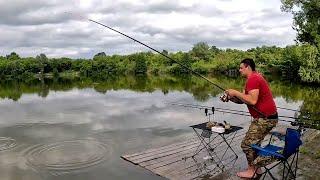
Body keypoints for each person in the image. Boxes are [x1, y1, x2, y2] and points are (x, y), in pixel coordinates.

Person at [223, 58, 278, 178]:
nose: (239, 70)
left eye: (241, 68)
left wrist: (235, 92)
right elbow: (245, 100)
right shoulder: (253, 78)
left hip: (266, 118)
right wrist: (231, 98)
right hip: (266, 117)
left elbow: (252, 101)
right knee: (255, 143)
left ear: (248, 67)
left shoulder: (253, 79)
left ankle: (251, 170)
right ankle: (257, 169)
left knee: (247, 144)